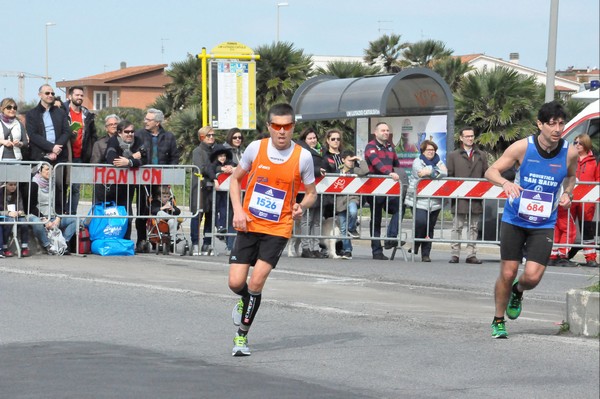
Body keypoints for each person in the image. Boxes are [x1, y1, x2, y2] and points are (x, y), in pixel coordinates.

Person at [228, 103, 317, 357]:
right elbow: (235, 180)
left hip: (278, 227)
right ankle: (244, 299)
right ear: (269, 127)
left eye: (286, 126)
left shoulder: (303, 156)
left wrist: (301, 206)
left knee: (256, 281)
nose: (281, 132)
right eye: (276, 126)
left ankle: (242, 336)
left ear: (293, 128)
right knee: (236, 282)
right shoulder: (256, 148)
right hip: (249, 223)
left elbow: (312, 194)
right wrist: (238, 211)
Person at [484, 101, 577, 339]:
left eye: (561, 123)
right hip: (515, 218)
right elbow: (491, 171)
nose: (557, 128)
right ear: (540, 124)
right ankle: (498, 320)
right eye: (551, 123)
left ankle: (519, 290)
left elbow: (571, 177)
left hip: (544, 222)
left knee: (533, 277)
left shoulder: (570, 152)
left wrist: (568, 193)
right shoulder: (522, 148)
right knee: (507, 272)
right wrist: (505, 182)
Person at [134, 108, 180, 252]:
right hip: (143, 177)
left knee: (164, 207)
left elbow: (174, 157)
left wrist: (169, 172)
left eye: (149, 120)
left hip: (161, 178)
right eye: (145, 119)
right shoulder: (139, 135)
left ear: (157, 123)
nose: (145, 122)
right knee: (143, 210)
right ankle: (141, 240)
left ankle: (165, 238)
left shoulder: (169, 136)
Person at [447, 127, 489, 264]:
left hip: (476, 196)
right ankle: (455, 253)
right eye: (467, 136)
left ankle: (471, 254)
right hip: (459, 197)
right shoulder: (453, 155)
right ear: (461, 138)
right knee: (457, 226)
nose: (470, 138)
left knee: (473, 226)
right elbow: (450, 175)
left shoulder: (481, 155)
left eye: (472, 136)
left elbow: (485, 174)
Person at [25, 85, 71, 212]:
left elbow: (66, 132)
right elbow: (33, 135)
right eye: (47, 93)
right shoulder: (31, 114)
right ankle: (39, 217)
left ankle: (59, 217)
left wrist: (57, 149)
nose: (50, 95)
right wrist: (51, 148)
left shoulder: (60, 112)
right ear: (40, 94)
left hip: (59, 156)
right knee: (37, 187)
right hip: (40, 156)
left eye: (52, 93)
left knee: (59, 188)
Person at [404, 140, 448, 262]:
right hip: (418, 200)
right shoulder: (417, 161)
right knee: (421, 222)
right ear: (423, 151)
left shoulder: (438, 161)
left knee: (430, 227)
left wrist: (430, 172)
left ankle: (425, 254)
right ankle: (416, 242)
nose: (431, 152)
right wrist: (436, 172)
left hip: (435, 201)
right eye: (429, 150)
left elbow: (445, 173)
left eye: (433, 150)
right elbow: (420, 174)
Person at [364, 122, 401, 260]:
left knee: (400, 208)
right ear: (376, 132)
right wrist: (388, 173)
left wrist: (400, 174)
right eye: (383, 130)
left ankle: (390, 238)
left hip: (389, 188)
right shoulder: (370, 146)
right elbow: (376, 163)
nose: (386, 132)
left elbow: (396, 164)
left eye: (387, 130)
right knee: (376, 219)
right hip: (374, 188)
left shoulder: (391, 147)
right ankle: (376, 250)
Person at [104, 120, 146, 240]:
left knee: (127, 212)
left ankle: (125, 240)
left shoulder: (137, 141)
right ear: (119, 133)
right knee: (112, 212)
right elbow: (112, 160)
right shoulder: (113, 141)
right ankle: (110, 238)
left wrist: (129, 162)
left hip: (129, 183)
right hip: (112, 185)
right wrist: (133, 158)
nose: (130, 134)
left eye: (132, 131)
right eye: (127, 132)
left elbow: (145, 159)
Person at [27, 163, 77, 255]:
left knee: (75, 220)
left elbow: (59, 204)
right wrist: (44, 219)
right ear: (40, 171)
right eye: (46, 169)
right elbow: (31, 207)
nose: (50, 171)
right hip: (38, 215)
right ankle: (48, 246)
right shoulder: (34, 184)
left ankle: (63, 244)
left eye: (51, 169)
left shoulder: (54, 184)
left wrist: (58, 217)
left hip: (53, 215)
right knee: (37, 224)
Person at [63, 86, 98, 215]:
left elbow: (93, 135)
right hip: (65, 155)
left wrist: (90, 153)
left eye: (81, 95)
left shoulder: (86, 114)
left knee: (75, 188)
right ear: (70, 96)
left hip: (80, 156)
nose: (79, 97)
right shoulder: (62, 112)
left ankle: (71, 213)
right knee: (62, 186)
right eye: (77, 95)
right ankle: (61, 213)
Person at [567, 134, 599, 267]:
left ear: (586, 144)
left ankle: (590, 258)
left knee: (587, 229)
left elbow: (598, 180)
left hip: (587, 200)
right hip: (570, 197)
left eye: (580, 143)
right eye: (575, 142)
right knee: (566, 227)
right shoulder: (570, 159)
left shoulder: (595, 161)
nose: (577, 145)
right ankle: (562, 255)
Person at [296, 127, 325, 258]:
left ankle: (315, 247)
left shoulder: (320, 149)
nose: (313, 140)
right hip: (306, 190)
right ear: (304, 139)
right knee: (306, 220)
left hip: (320, 189)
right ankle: (306, 247)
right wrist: (317, 170)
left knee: (317, 221)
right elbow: (301, 168)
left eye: (314, 138)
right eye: (310, 138)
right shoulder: (301, 151)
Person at [336, 149, 369, 259]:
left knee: (353, 212)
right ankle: (347, 250)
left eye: (353, 160)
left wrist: (360, 159)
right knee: (342, 228)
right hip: (340, 201)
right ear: (343, 160)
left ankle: (352, 227)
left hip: (352, 198)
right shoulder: (337, 171)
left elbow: (365, 170)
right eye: (349, 160)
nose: (351, 163)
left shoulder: (355, 170)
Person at [190, 126, 215, 255]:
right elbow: (201, 167)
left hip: (212, 187)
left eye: (212, 135)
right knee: (197, 215)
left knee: (210, 215)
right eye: (208, 135)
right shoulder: (197, 151)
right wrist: (215, 172)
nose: (211, 137)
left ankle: (207, 243)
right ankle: (195, 243)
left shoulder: (215, 150)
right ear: (202, 137)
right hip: (200, 187)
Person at [207, 144, 236, 239]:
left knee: (224, 209)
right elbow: (210, 170)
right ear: (216, 157)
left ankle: (222, 227)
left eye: (224, 155)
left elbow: (236, 166)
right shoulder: (213, 164)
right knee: (215, 209)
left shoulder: (229, 163)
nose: (222, 158)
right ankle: (218, 226)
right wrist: (215, 179)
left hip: (225, 193)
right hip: (216, 192)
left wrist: (231, 168)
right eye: (220, 156)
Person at [222, 127, 245, 252]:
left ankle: (234, 244)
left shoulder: (243, 151)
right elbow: (223, 165)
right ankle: (230, 244)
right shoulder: (224, 150)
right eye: (235, 137)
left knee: (237, 215)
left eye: (239, 137)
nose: (237, 139)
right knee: (230, 215)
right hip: (226, 188)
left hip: (242, 187)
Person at [0, 182, 30, 257]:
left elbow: (22, 209)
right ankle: (5, 247)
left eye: (15, 185)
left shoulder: (18, 193)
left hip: (16, 215)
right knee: (8, 222)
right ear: (5, 184)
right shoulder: (1, 193)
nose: (13, 187)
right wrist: (8, 213)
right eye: (10, 185)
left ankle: (24, 246)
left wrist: (20, 212)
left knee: (24, 222)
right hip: (5, 215)